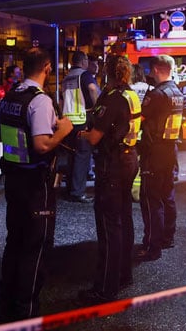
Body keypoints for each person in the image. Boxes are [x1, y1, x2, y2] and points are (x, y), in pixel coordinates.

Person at [0, 48, 73, 322]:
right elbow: (42, 144)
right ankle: (26, 312)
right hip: (36, 184)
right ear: (47, 67)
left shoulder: (10, 97)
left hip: (13, 180)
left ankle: (6, 304)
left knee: (14, 242)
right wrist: (64, 129)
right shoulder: (40, 101)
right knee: (35, 247)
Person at [76, 55, 141, 303]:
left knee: (108, 225)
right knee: (124, 219)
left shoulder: (113, 99)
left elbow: (94, 137)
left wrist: (82, 135)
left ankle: (105, 287)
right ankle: (124, 274)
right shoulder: (130, 95)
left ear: (109, 72)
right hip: (129, 160)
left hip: (112, 165)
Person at [137, 55, 185, 261]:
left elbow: (140, 116)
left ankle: (152, 245)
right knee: (168, 195)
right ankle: (168, 237)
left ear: (156, 69)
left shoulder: (157, 94)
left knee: (151, 199)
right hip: (171, 149)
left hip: (155, 151)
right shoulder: (178, 92)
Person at [60, 51, 99, 203]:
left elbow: (62, 100)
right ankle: (78, 192)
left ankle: (70, 189)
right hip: (83, 120)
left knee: (71, 156)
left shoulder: (67, 77)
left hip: (68, 122)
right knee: (82, 156)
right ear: (83, 61)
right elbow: (93, 89)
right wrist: (97, 108)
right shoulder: (84, 75)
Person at [128, 63, 154, 202]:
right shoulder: (151, 89)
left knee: (131, 164)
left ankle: (132, 191)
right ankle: (141, 192)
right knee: (144, 163)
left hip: (131, 132)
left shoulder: (128, 90)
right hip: (146, 133)